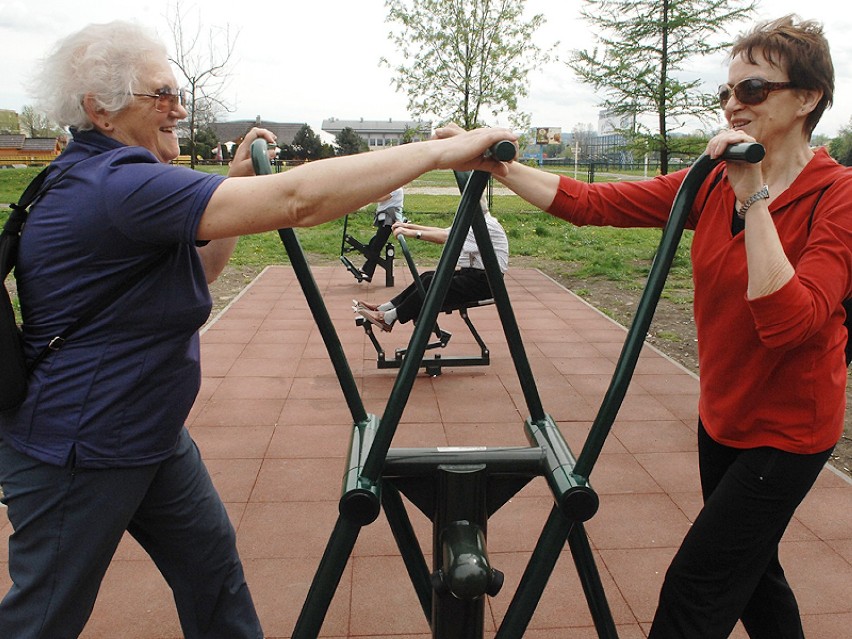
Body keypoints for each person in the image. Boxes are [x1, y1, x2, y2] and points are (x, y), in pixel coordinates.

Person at [0, 21, 515, 639]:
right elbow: (299, 200)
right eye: (161, 95)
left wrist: (236, 182)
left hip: (150, 433)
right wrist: (442, 150)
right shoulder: (116, 185)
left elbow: (204, 268)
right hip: (82, 446)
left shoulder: (115, 181)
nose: (180, 110)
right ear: (100, 111)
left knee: (213, 577)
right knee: (45, 616)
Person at [439, 15, 850, 639]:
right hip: (723, 416)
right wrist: (498, 168)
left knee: (696, 588)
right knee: (755, 579)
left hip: (787, 433)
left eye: (753, 90)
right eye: (726, 92)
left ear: (807, 98)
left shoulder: (836, 196)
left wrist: (754, 195)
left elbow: (788, 324)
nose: (733, 106)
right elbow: (594, 204)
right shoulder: (709, 180)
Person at [354, 197, 508, 331]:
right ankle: (385, 308)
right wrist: (408, 227)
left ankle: (389, 318)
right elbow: (444, 230)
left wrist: (413, 234)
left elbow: (446, 237)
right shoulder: (477, 221)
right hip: (475, 276)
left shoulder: (485, 226)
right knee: (427, 277)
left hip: (485, 282)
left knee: (432, 283)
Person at [358, 187, 405, 281]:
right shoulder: (394, 187)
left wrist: (366, 198)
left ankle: (368, 273)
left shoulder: (396, 188)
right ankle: (365, 268)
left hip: (389, 220)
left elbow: (381, 198)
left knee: (376, 247)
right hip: (385, 219)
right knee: (373, 243)